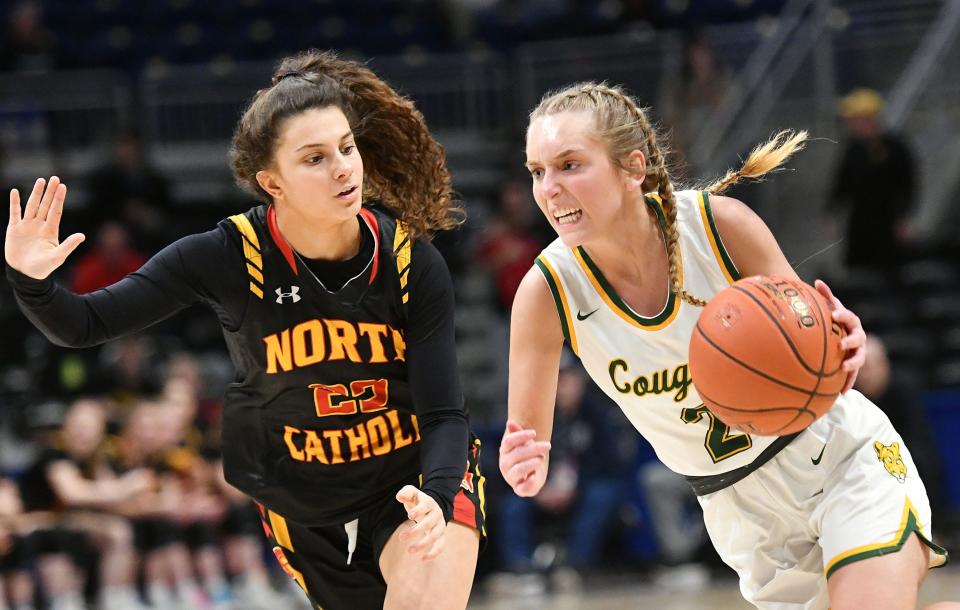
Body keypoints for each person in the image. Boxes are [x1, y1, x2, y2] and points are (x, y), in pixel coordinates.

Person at [5, 49, 484, 610]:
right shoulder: (227, 256)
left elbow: (444, 414)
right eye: (314, 158)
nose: (343, 168)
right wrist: (31, 281)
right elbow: (84, 324)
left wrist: (440, 491)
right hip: (301, 500)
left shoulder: (410, 261)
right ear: (271, 181)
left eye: (346, 148)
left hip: (412, 479)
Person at [498, 81, 956, 610]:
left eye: (570, 165)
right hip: (741, 509)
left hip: (837, 459)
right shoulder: (545, 291)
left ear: (633, 167)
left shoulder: (718, 226)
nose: (548, 188)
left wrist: (842, 340)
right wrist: (522, 464)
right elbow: (527, 439)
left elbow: (815, 332)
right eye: (537, 171)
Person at [830, 88, 918, 268]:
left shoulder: (894, 147)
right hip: (860, 221)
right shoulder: (852, 149)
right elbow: (842, 182)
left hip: (888, 221)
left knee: (891, 268)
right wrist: (831, 211)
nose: (851, 124)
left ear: (870, 119)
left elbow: (907, 184)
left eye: (855, 119)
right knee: (857, 266)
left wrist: (904, 218)